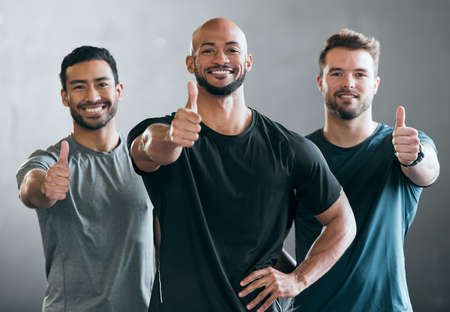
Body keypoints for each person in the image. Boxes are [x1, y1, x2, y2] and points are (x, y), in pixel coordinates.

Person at [128, 18, 356, 312]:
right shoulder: (159, 131)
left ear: (247, 62)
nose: (221, 59)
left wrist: (298, 279)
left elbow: (343, 221)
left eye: (231, 50)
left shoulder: (288, 148)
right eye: (208, 50)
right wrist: (172, 138)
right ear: (190, 62)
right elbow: (148, 148)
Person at [293, 29, 440, 311]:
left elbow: (428, 169)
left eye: (360, 74)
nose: (348, 82)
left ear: (375, 83)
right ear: (319, 82)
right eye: (336, 73)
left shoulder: (403, 144)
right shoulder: (300, 154)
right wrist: (293, 280)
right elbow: (268, 237)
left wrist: (414, 157)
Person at [16, 46, 154, 312]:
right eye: (79, 87)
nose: (92, 96)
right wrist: (44, 187)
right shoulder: (51, 162)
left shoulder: (146, 160)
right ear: (65, 97)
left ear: (119, 90)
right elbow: (30, 188)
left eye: (101, 84)